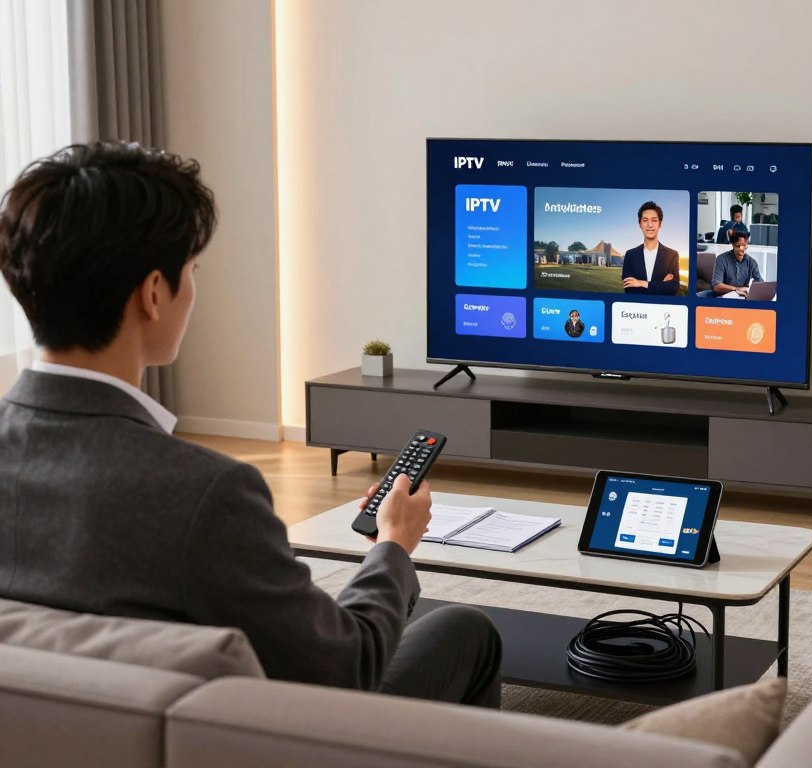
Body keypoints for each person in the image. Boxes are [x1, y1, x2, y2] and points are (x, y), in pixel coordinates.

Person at [0, 142, 501, 707]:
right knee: (466, 630)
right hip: (251, 741)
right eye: (192, 269)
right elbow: (347, 668)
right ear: (154, 293)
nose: (194, 288)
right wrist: (393, 545)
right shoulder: (203, 493)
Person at [621, 201, 679, 295]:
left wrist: (641, 283)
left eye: (654, 220)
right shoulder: (630, 255)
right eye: (645, 220)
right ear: (640, 224)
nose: (650, 225)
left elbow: (673, 288)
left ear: (660, 224)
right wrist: (661, 284)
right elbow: (630, 290)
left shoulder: (672, 255)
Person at [709, 231, 763, 297]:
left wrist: (754, 287)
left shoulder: (752, 262)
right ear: (733, 245)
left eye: (744, 246)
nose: (742, 249)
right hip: (723, 295)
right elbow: (716, 286)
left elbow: (760, 283)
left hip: (742, 297)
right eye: (738, 246)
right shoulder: (721, 259)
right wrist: (736, 289)